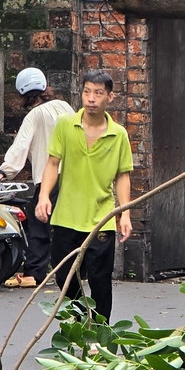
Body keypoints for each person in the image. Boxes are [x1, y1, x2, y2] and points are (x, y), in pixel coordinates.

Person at [35, 71, 132, 321]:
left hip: (102, 218)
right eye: (87, 91)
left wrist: (125, 213)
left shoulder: (118, 134)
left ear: (110, 97)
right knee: (63, 276)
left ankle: (101, 333)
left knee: (100, 279)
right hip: (66, 216)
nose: (91, 98)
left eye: (98, 93)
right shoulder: (66, 125)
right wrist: (44, 196)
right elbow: (52, 163)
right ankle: (79, 321)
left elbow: (122, 176)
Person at [0, 68, 74, 289]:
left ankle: (34, 273)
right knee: (68, 226)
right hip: (72, 177)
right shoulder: (65, 107)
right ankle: (73, 270)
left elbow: (20, 147)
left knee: (38, 224)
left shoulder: (34, 115)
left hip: (48, 179)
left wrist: (4, 172)